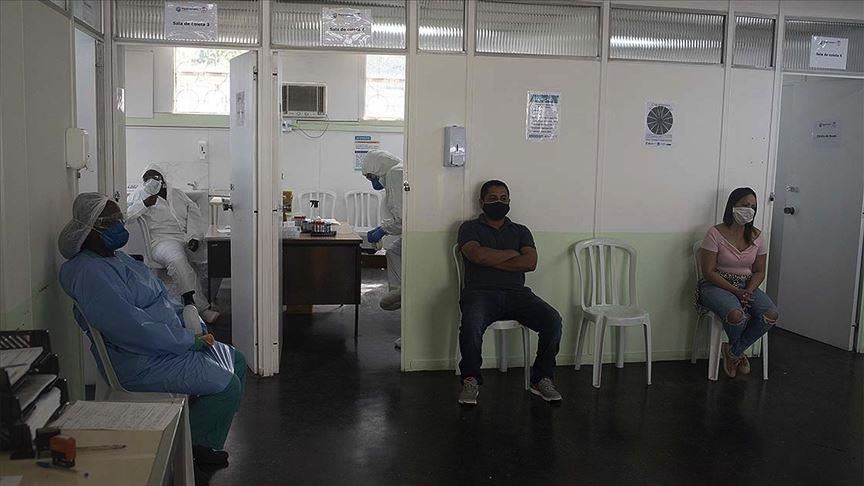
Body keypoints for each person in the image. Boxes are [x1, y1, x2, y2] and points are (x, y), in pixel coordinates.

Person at [58, 193, 245, 475]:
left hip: (166, 345)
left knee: (237, 360)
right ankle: (188, 449)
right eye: (111, 222)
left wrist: (189, 318)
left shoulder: (116, 258)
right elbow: (132, 329)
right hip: (143, 360)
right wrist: (187, 340)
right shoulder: (90, 272)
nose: (120, 226)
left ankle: (199, 431)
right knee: (228, 386)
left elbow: (159, 299)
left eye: (119, 219)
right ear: (90, 230)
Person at [457, 180, 563, 405]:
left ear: (509, 201)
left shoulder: (521, 231)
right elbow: (476, 255)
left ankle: (541, 379)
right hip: (480, 293)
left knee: (553, 320)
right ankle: (470, 379)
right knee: (471, 324)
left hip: (518, 294)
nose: (499, 202)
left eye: (503, 198)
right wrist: (512, 254)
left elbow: (530, 262)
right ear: (482, 201)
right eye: (493, 198)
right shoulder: (469, 228)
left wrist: (490, 259)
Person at [699, 187, 779, 378]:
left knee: (770, 314)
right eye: (744, 205)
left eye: (753, 207)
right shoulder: (715, 233)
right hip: (716, 285)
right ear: (732, 206)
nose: (748, 210)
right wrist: (736, 291)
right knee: (736, 315)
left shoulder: (758, 236)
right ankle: (737, 352)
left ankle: (733, 351)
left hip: (747, 286)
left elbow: (760, 271)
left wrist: (748, 290)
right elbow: (708, 271)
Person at [127, 165, 218, 324]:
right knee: (177, 260)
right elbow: (127, 216)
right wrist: (144, 204)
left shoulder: (177, 194)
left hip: (186, 237)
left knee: (213, 256)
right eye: (147, 178)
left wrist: (194, 237)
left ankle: (208, 297)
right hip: (162, 240)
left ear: (162, 179)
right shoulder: (139, 195)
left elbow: (194, 213)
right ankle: (197, 307)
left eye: (155, 177)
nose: (151, 181)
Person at [361, 151, 403, 312]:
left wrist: (383, 230)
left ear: (379, 168)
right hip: (415, 228)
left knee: (395, 251)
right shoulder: (398, 171)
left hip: (418, 230)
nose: (373, 182)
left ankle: (401, 291)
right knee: (393, 251)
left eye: (371, 177)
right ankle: (398, 291)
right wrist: (383, 228)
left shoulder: (395, 173)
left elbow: (402, 218)